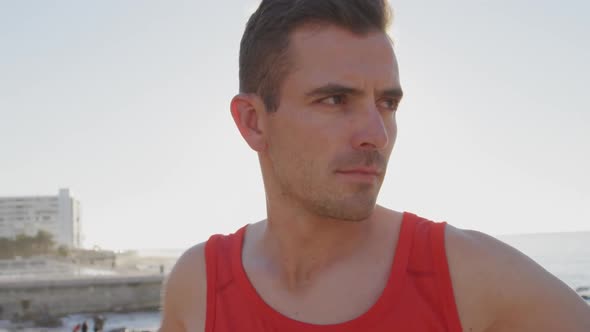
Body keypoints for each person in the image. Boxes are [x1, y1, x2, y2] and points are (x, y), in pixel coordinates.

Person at [159, 0, 590, 331]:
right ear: (254, 122)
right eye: (335, 100)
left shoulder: (470, 275)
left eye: (387, 103)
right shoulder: (198, 286)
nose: (377, 134)